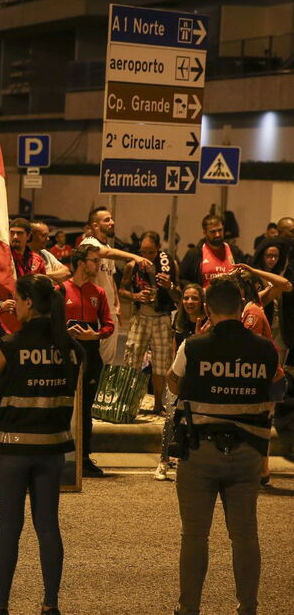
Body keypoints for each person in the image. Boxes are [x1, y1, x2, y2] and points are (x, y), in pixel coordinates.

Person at [168, 276, 278, 615]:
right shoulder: (264, 348)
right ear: (241, 303)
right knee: (244, 534)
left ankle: (189, 609)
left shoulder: (194, 345)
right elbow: (277, 389)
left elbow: (173, 383)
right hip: (247, 453)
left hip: (200, 451)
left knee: (195, 536)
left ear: (207, 307)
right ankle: (247, 607)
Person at [0, 274, 82, 615]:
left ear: (28, 303)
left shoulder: (10, 344)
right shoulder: (71, 348)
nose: (14, 304)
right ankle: (50, 604)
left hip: (13, 447)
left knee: (9, 526)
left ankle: (0, 605)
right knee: (48, 526)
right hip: (52, 448)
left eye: (17, 299)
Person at [60, 244, 114, 477]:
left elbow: (109, 325)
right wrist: (65, 332)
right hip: (66, 354)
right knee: (63, 405)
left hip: (91, 354)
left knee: (86, 408)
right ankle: (60, 455)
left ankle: (84, 457)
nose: (97, 264)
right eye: (94, 260)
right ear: (81, 263)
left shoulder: (98, 292)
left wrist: (97, 334)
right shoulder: (60, 290)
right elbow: (49, 323)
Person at [80, 206, 153, 364]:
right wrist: (135, 257)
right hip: (93, 308)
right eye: (107, 220)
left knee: (108, 357)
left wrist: (117, 305)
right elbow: (104, 254)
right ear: (95, 225)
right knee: (94, 358)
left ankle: (103, 388)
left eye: (111, 219)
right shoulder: (88, 243)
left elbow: (110, 278)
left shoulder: (108, 247)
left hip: (109, 309)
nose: (112, 222)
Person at [119, 231, 180, 416]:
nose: (146, 257)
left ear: (158, 250)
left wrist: (169, 287)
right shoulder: (132, 265)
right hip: (140, 316)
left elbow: (179, 296)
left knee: (161, 363)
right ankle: (130, 402)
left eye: (151, 252)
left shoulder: (170, 264)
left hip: (162, 316)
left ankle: (158, 404)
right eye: (143, 252)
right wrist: (135, 296)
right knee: (133, 359)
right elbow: (121, 291)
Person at [156, 284, 205, 481]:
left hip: (199, 380)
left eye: (194, 298)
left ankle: (188, 462)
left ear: (202, 301)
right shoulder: (179, 319)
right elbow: (174, 350)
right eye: (186, 298)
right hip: (180, 376)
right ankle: (163, 461)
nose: (189, 302)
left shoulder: (208, 322)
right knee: (170, 419)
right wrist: (172, 375)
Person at [179, 214, 246, 288]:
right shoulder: (194, 254)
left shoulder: (235, 252)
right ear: (205, 233)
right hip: (205, 298)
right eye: (213, 232)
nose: (217, 234)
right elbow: (182, 279)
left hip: (231, 298)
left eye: (220, 230)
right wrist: (197, 291)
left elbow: (246, 275)